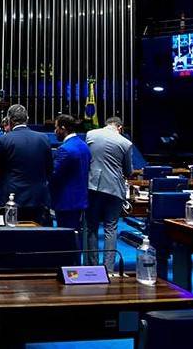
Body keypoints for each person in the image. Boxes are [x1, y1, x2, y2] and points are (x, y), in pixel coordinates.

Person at [0, 104, 51, 225]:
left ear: (9, 120)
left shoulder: (3, 140)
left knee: (10, 239)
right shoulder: (43, 138)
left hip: (10, 199)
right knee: (37, 239)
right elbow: (49, 169)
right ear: (27, 119)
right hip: (37, 199)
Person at [85, 116, 133, 273]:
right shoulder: (125, 143)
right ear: (120, 127)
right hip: (114, 189)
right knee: (110, 228)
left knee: (91, 227)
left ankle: (91, 267)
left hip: (93, 186)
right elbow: (128, 171)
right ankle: (108, 269)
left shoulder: (91, 134)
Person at [51, 114, 91, 231]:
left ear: (63, 128)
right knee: (75, 233)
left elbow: (54, 175)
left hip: (66, 201)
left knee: (66, 238)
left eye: (56, 127)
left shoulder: (65, 149)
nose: (55, 131)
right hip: (80, 198)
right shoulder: (84, 145)